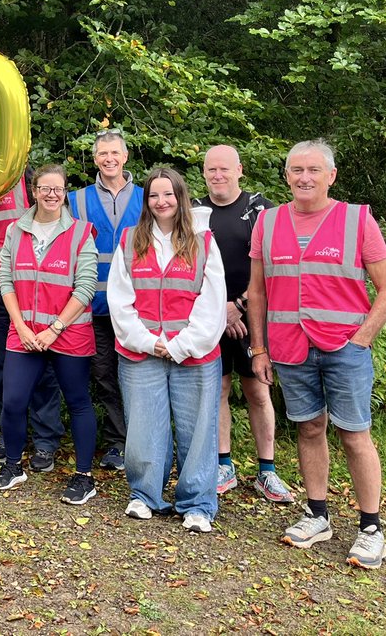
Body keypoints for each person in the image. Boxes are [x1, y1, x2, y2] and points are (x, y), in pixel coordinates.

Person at [248, 139, 386, 569]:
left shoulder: (356, 219)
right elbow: (257, 293)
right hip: (290, 348)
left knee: (355, 434)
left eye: (314, 170)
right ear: (287, 176)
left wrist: (362, 340)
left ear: (331, 176)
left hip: (345, 348)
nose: (304, 178)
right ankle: (318, 514)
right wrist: (259, 348)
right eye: (297, 170)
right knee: (309, 429)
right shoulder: (269, 222)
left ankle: (371, 528)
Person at [109, 167, 225, 533]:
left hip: (194, 354)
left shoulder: (203, 241)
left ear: (181, 197)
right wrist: (148, 341)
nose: (161, 202)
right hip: (141, 352)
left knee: (198, 431)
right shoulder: (130, 240)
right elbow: (119, 298)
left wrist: (181, 345)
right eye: (154, 196)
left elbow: (213, 302)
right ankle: (145, 496)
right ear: (146, 202)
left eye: (168, 194)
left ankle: (197, 503)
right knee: (143, 428)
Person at [0, 118, 65, 472]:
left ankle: (46, 442)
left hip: (35, 287)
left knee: (43, 363)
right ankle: (11, 435)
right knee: (6, 367)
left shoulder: (21, 176)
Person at [0, 164, 101, 505]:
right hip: (24, 333)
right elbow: (5, 280)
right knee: (12, 401)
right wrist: (21, 326)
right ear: (34, 191)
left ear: (64, 192)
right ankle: (13, 466)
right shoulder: (15, 230)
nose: (51, 194)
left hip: (67, 334)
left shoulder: (81, 232)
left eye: (57, 188)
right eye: (44, 188)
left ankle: (84, 476)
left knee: (78, 402)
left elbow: (85, 287)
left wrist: (55, 329)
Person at [195, 144, 294, 504]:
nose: (217, 176)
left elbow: (274, 268)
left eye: (224, 169)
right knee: (217, 390)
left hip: (252, 317)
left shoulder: (260, 210)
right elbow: (188, 268)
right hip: (210, 318)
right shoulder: (195, 213)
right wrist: (219, 312)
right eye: (211, 170)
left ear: (240, 170)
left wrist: (237, 306)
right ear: (203, 173)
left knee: (257, 392)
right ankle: (224, 465)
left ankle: (267, 471)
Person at [68, 129, 142, 470]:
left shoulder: (148, 198)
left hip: (136, 307)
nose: (109, 159)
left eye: (115, 153)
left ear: (125, 157)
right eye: (102, 154)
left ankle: (143, 441)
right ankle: (117, 442)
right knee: (104, 376)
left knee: (138, 376)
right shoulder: (76, 200)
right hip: (92, 305)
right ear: (95, 159)